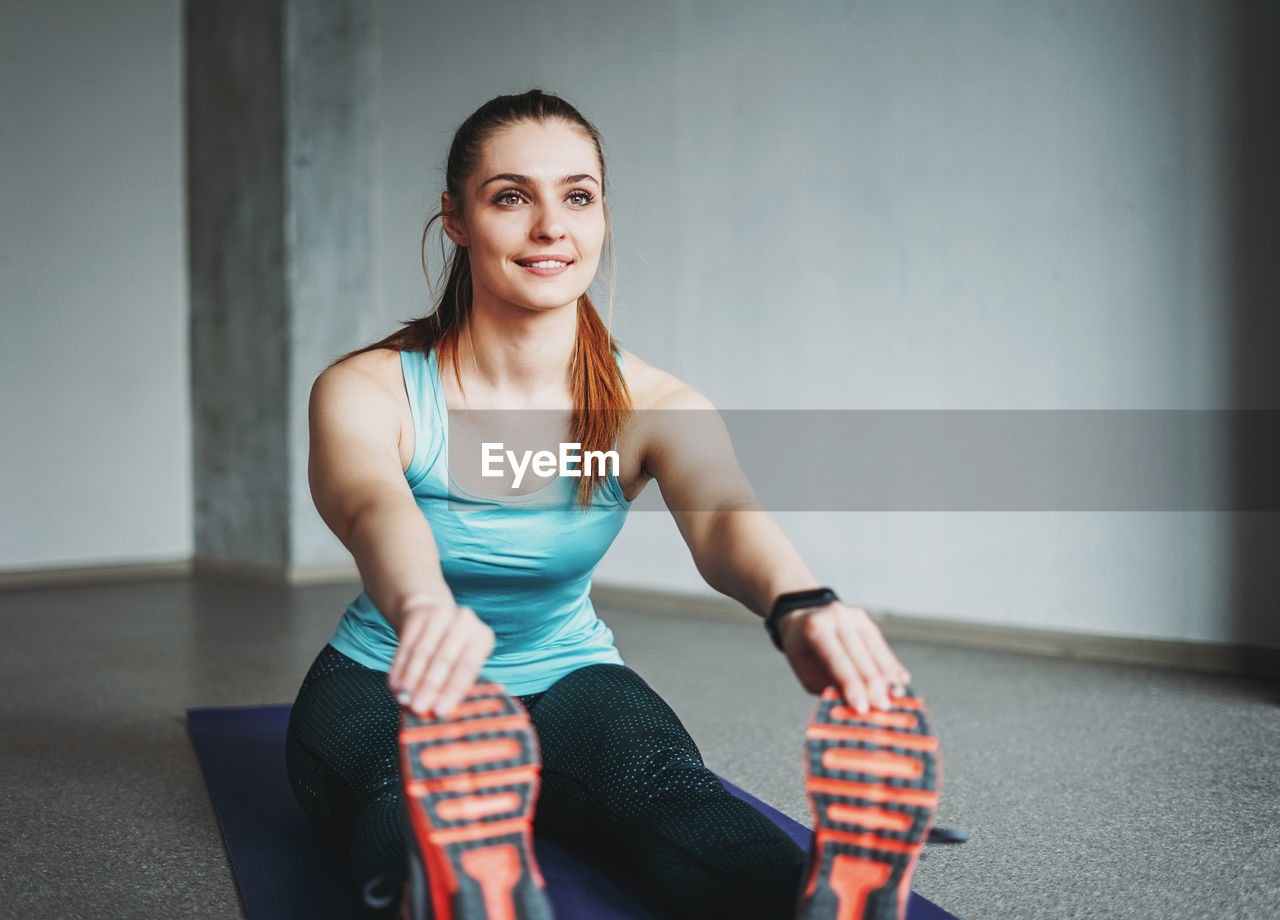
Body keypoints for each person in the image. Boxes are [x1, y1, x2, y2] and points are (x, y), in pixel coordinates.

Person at [285, 89, 938, 920]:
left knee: (671, 793)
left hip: (570, 676)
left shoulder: (654, 402)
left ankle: (818, 904)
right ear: (455, 218)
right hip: (385, 682)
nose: (551, 226)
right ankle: (460, 882)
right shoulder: (369, 387)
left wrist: (803, 603)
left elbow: (723, 511)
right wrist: (422, 608)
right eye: (512, 196)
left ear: (601, 218)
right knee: (402, 803)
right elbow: (372, 506)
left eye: (578, 196)